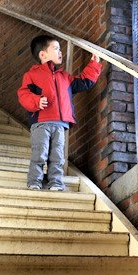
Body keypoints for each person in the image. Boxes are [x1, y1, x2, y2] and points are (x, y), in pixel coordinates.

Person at [17, 35, 102, 191]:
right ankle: (34, 181)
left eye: (60, 48)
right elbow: (24, 95)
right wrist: (37, 101)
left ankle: (55, 182)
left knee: (57, 156)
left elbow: (83, 82)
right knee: (40, 153)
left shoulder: (65, 77)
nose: (60, 51)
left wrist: (94, 64)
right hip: (41, 122)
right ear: (42, 55)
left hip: (60, 123)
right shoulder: (32, 75)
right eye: (56, 48)